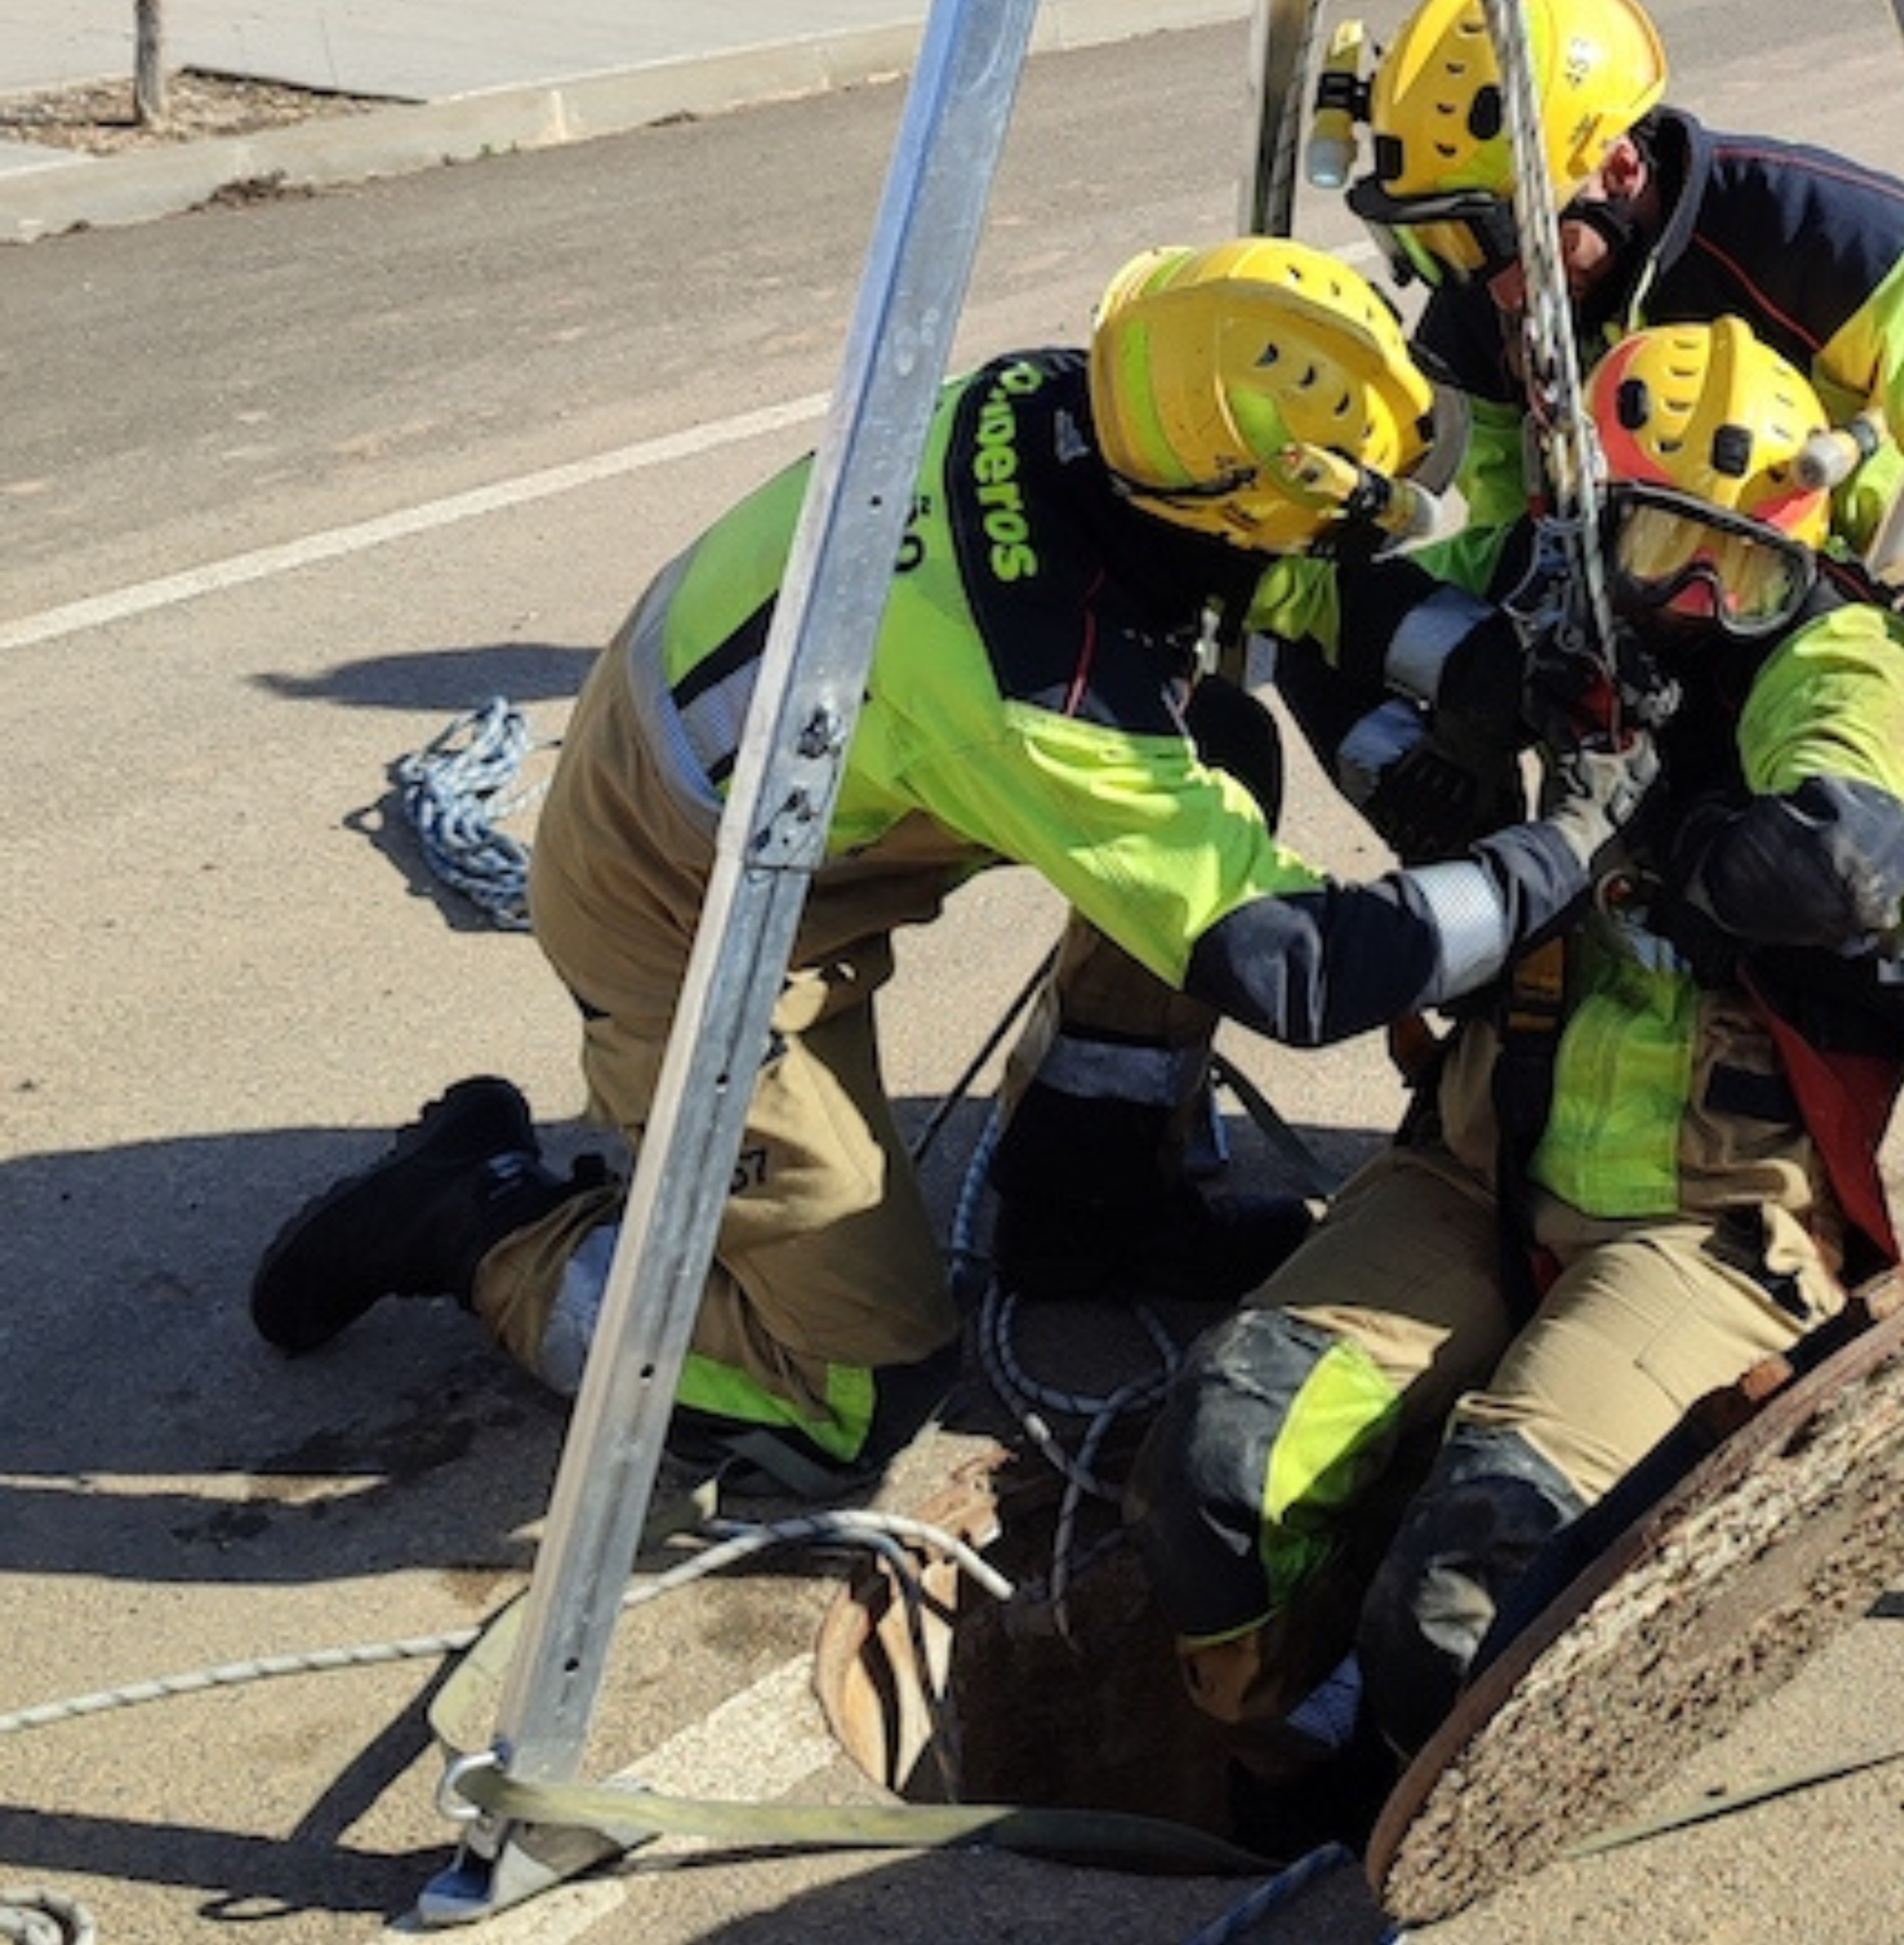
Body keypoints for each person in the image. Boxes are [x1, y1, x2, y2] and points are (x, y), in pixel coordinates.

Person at [248, 237, 1656, 1498]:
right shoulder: (1037, 685)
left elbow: (1286, 570)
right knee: (846, 1397)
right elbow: (1292, 966)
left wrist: (1501, 664)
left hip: (780, 752)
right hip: (677, 890)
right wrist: (1556, 851)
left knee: (1209, 749)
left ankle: (1081, 1197)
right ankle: (480, 1216)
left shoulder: (1096, 404)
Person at [1129, 318, 1904, 1823]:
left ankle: (1423, 1809)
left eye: (1744, 571)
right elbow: (1312, 586)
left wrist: (1640, 839)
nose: (1699, 605)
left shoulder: (1830, 650)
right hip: (1473, 1158)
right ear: (1586, 528)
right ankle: (1272, 1769)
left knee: (1473, 1588)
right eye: (1659, 552)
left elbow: (1842, 851)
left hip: (1705, 1222)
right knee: (1217, 1460)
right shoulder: (1537, 583)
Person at [1274, 0, 1904, 1234]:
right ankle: (1499, 1081)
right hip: (1641, 585)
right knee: (1444, 688)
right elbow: (1520, 519)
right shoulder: (1496, 305)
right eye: (1444, 238)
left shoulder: (1832, 241)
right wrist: (1459, 736)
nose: (1483, 283)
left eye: (1496, 234)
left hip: (1867, 597)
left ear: (1617, 171)